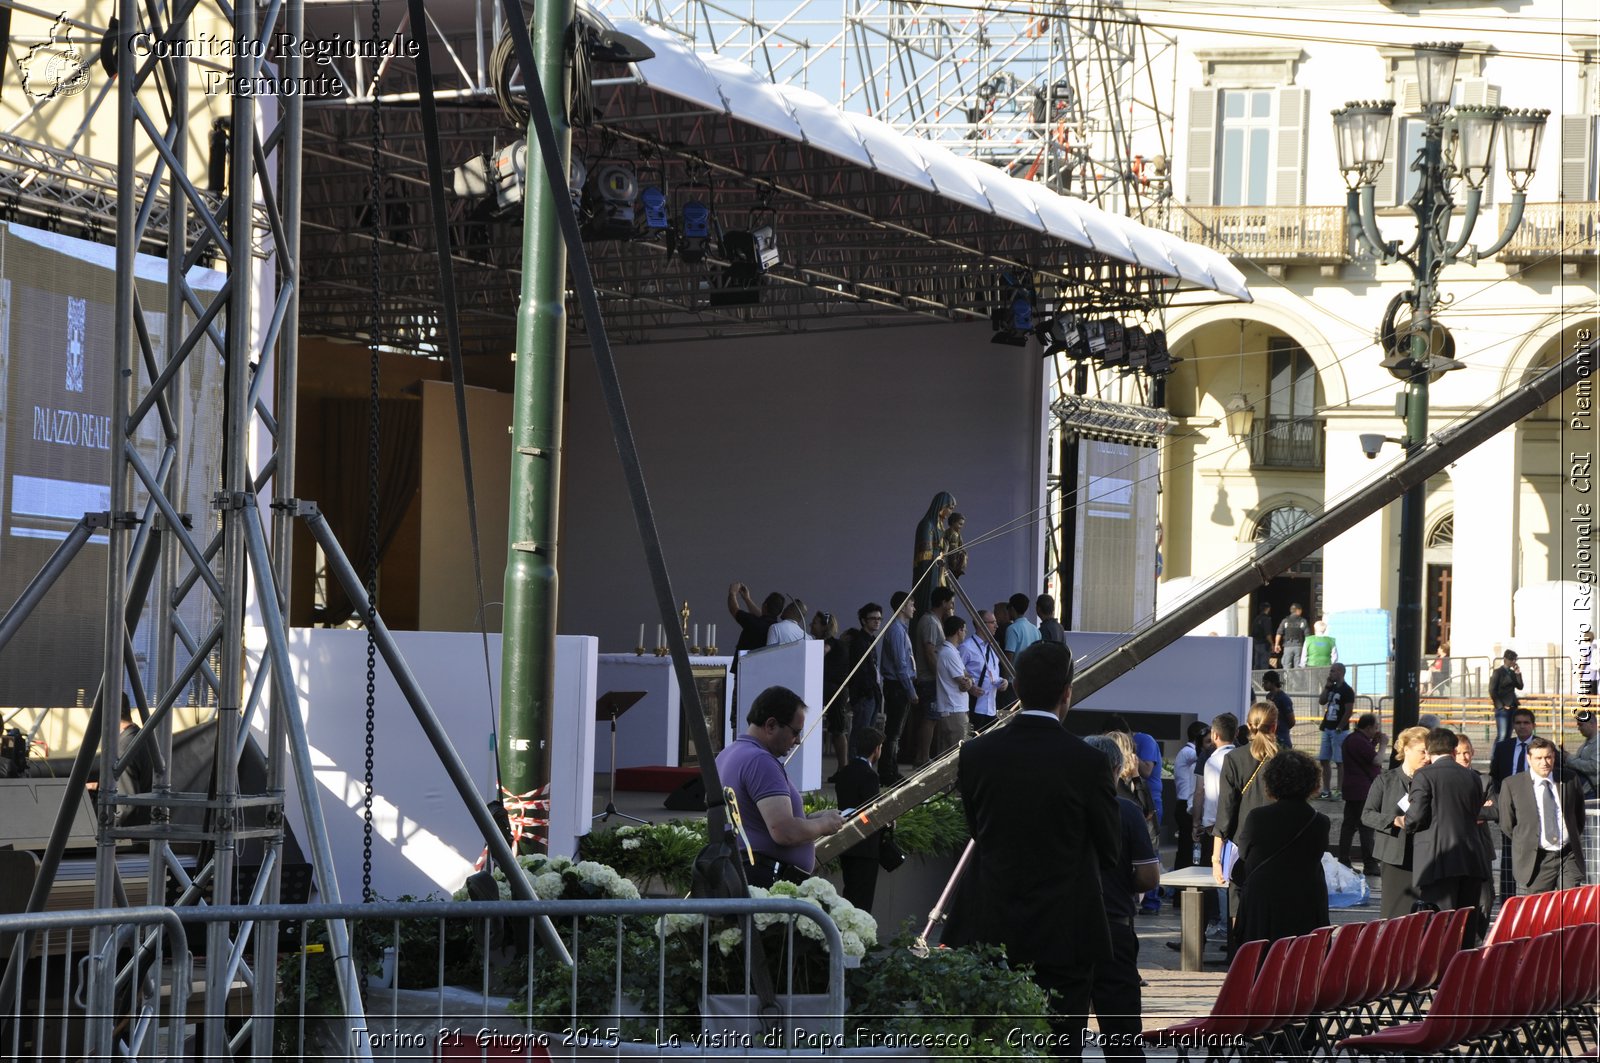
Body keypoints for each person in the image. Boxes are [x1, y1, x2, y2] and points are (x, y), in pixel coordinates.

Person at [958, 640, 1121, 1061]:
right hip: (1066, 929)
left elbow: (978, 830)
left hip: (992, 921)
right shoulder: (1088, 762)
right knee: (1063, 1044)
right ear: (1068, 692)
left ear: (1014, 686)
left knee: (991, 1044)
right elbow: (1110, 850)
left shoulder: (976, 754)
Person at [715, 686, 844, 887]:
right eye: (795, 732)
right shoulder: (761, 761)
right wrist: (824, 825)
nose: (798, 741)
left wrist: (808, 819)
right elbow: (784, 831)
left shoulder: (728, 754)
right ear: (771, 725)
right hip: (765, 879)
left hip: (743, 872)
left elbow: (755, 821)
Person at [1082, 734, 1160, 1061]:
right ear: (1117, 769)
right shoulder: (1127, 812)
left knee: (1058, 1032)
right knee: (1123, 1037)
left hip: (1062, 929)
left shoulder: (1058, 806)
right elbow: (1148, 877)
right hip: (1114, 927)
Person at [1405, 727, 1493, 946]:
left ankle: (1442, 973)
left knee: (1440, 924)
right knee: (1466, 922)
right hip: (1472, 858)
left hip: (1438, 859)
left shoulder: (1424, 775)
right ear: (1454, 749)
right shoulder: (1472, 776)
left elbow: (1415, 817)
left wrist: (1405, 823)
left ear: (1428, 749)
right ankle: (1463, 969)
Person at [1233, 750, 1331, 946]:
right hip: (1305, 900)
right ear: (1312, 782)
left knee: (1263, 960)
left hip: (1265, 902)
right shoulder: (1320, 821)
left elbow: (1244, 852)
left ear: (1272, 781)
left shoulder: (1258, 817)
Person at [1213, 702, 1278, 948]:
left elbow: (1225, 810)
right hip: (1277, 847)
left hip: (1242, 848)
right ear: (1275, 725)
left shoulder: (1234, 759)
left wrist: (1215, 859)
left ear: (1247, 726)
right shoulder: (1285, 759)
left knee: (1237, 904)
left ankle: (1240, 956)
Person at [1499, 736, 1587, 895]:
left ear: (1554, 756)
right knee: (1538, 910)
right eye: (1538, 758)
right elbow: (1507, 824)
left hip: (1568, 855)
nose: (1544, 762)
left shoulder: (1569, 778)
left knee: (1571, 904)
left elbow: (1579, 815)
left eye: (1548, 757)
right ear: (1529, 759)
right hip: (1537, 860)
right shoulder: (1512, 784)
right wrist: (1529, 838)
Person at [1361, 725, 1431, 920]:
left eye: (1429, 752)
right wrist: (1393, 820)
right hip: (1394, 856)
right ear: (1406, 749)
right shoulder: (1386, 780)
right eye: (1422, 751)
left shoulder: (1433, 781)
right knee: (1395, 913)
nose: (1427, 757)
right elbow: (1366, 815)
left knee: (1423, 915)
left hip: (1425, 855)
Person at [834, 727, 886, 911]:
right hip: (865, 847)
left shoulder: (844, 772)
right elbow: (870, 813)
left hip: (846, 844)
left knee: (850, 892)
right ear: (876, 749)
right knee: (863, 899)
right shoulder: (870, 776)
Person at [1452, 734, 1497, 935]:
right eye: (1458, 753)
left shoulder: (1484, 780)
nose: (1463, 757)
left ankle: (1479, 936)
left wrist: (1461, 812)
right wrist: (1477, 809)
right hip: (1453, 849)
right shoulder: (1444, 781)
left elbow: (1494, 811)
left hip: (1480, 848)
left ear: (1473, 753)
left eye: (1466, 752)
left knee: (1486, 898)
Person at [910, 588, 958, 766]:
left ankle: (924, 756)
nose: (952, 606)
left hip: (932, 678)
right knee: (930, 718)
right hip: (929, 679)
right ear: (944, 602)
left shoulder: (936, 621)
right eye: (951, 602)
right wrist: (940, 675)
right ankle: (922, 757)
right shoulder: (930, 622)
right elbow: (929, 652)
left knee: (933, 717)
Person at [727, 583, 784, 731]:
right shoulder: (774, 626)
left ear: (765, 605)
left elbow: (734, 610)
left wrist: (732, 593)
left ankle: (737, 744)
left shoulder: (754, 623)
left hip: (744, 673)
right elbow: (762, 615)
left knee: (738, 714)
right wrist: (747, 598)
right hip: (763, 676)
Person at [878, 592, 918, 784]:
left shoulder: (900, 629)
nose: (914, 608)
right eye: (911, 605)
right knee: (893, 732)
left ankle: (891, 770)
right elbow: (901, 665)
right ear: (903, 607)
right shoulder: (896, 630)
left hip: (899, 685)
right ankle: (887, 772)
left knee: (896, 732)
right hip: (897, 686)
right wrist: (911, 691)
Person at [1338, 714, 1381, 877]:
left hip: (1352, 788)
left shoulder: (1353, 739)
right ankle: (1369, 863)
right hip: (1361, 790)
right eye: (1375, 727)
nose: (1376, 730)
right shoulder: (1358, 741)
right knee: (1366, 827)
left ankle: (1343, 860)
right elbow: (1376, 760)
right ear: (1368, 727)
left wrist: (1374, 743)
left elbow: (1363, 757)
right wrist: (1383, 744)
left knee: (1349, 826)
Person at [930, 614, 976, 760]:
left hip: (954, 708)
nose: (965, 633)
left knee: (948, 754)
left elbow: (966, 675)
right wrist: (970, 681)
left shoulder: (952, 652)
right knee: (956, 755)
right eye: (965, 630)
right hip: (954, 709)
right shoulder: (949, 653)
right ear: (958, 631)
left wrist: (970, 680)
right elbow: (963, 682)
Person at [811, 610, 851, 775]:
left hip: (834, 691)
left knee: (838, 730)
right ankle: (843, 768)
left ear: (824, 626)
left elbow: (819, 655)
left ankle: (844, 768)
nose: (811, 626)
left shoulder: (830, 644)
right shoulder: (833, 644)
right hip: (833, 691)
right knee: (837, 729)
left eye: (815, 623)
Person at [961, 609, 1008, 733]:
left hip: (991, 706)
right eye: (992, 622)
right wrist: (970, 688)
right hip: (974, 707)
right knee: (970, 741)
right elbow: (957, 673)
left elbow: (994, 674)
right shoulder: (967, 647)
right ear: (981, 624)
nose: (996, 626)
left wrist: (1003, 682)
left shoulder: (993, 648)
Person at [842, 603, 884, 740]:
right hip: (864, 695)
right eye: (873, 618)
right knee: (860, 736)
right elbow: (860, 671)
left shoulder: (870, 640)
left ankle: (862, 761)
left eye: (879, 618)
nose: (877, 621)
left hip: (871, 694)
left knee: (866, 736)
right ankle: (856, 761)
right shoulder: (859, 642)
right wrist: (868, 691)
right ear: (864, 620)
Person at [1172, 721, 1209, 871]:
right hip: (1186, 806)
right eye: (1207, 740)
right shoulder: (1189, 753)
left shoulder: (1186, 753)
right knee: (1187, 850)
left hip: (1187, 805)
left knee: (1187, 849)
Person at [1316, 663, 1356, 799]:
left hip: (1339, 730)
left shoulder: (1347, 690)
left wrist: (1340, 726)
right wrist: (1327, 686)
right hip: (1327, 727)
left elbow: (1348, 710)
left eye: (1332, 671)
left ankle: (1339, 790)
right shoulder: (1331, 688)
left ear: (1340, 672)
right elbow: (1321, 701)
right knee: (1323, 759)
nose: (1330, 673)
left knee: (1339, 761)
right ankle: (1326, 790)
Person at [913, 491, 957, 614]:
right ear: (942, 506)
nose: (950, 512)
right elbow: (924, 556)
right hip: (931, 574)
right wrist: (941, 552)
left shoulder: (940, 527)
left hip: (940, 572)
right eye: (950, 508)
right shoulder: (927, 525)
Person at [1489, 650, 1523, 743]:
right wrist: (1501, 706)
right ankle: (1496, 756)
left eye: (1515, 660)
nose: (1513, 662)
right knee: (1502, 735)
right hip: (1503, 708)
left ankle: (1503, 755)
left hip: (1512, 706)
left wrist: (1518, 674)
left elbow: (1520, 686)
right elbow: (1492, 690)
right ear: (1505, 659)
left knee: (1508, 735)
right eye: (1511, 659)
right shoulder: (1498, 672)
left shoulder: (1512, 673)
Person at [1569, 708, 1599, 797]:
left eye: (1581, 725)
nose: (1578, 728)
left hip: (1593, 790)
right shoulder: (1588, 743)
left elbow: (1595, 766)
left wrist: (1569, 759)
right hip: (1587, 789)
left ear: (1591, 724)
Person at [1261, 670, 1295, 749]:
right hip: (1271, 734)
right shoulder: (1268, 696)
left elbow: (1292, 721)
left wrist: (1281, 727)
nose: (1263, 685)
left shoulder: (1284, 698)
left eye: (1266, 682)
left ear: (1273, 683)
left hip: (1282, 736)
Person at [1003, 592, 1041, 661]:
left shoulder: (1012, 629)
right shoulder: (1036, 630)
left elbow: (1008, 659)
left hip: (1016, 671)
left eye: (1008, 607)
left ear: (1012, 608)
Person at [1274, 603, 1309, 670]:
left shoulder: (1285, 621)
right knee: (1298, 666)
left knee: (1286, 665)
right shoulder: (1303, 621)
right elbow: (1307, 635)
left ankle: (1287, 680)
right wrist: (1307, 647)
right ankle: (1297, 680)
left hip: (1288, 646)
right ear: (1298, 610)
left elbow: (1279, 633)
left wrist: (1276, 645)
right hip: (1299, 646)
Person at [1249, 602, 1275, 670]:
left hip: (1256, 644)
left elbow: (1252, 632)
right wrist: (1272, 644)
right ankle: (1263, 679)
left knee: (1257, 663)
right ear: (1268, 609)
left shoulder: (1256, 619)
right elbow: (1268, 634)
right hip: (1264, 645)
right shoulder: (1266, 619)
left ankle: (1255, 679)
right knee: (1264, 663)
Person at [945, 511, 968, 581]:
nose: (961, 527)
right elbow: (945, 542)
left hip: (957, 551)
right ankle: (954, 568)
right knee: (953, 560)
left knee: (963, 555)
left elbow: (960, 544)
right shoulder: (949, 532)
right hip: (951, 551)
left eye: (962, 525)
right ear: (953, 522)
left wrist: (963, 550)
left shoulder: (958, 534)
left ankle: (958, 569)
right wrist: (945, 553)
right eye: (960, 524)